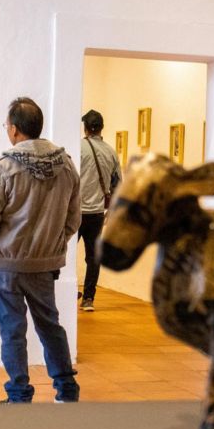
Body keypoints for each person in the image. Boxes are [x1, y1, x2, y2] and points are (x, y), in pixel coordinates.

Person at [0, 97, 81, 404]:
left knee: (12, 331)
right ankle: (66, 388)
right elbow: (74, 218)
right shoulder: (66, 166)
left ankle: (19, 394)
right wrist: (55, 244)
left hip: (7, 264)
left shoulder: (3, 168)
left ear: (15, 130)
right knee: (50, 325)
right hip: (45, 264)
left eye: (7, 125)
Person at [77, 109, 121, 312]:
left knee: (64, 254)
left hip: (75, 211)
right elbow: (117, 184)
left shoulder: (78, 147)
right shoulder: (111, 152)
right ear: (102, 128)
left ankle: (66, 290)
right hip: (96, 212)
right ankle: (88, 299)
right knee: (93, 257)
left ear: (85, 127)